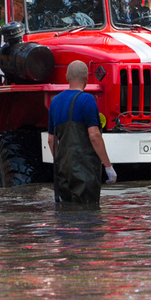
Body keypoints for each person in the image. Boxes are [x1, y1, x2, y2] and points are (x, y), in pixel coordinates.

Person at [48, 60, 117, 204]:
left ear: (67, 77)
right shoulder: (87, 100)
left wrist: (60, 163)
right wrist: (108, 166)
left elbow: (51, 140)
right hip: (84, 170)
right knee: (87, 215)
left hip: (63, 170)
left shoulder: (54, 102)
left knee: (67, 215)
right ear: (86, 77)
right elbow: (94, 136)